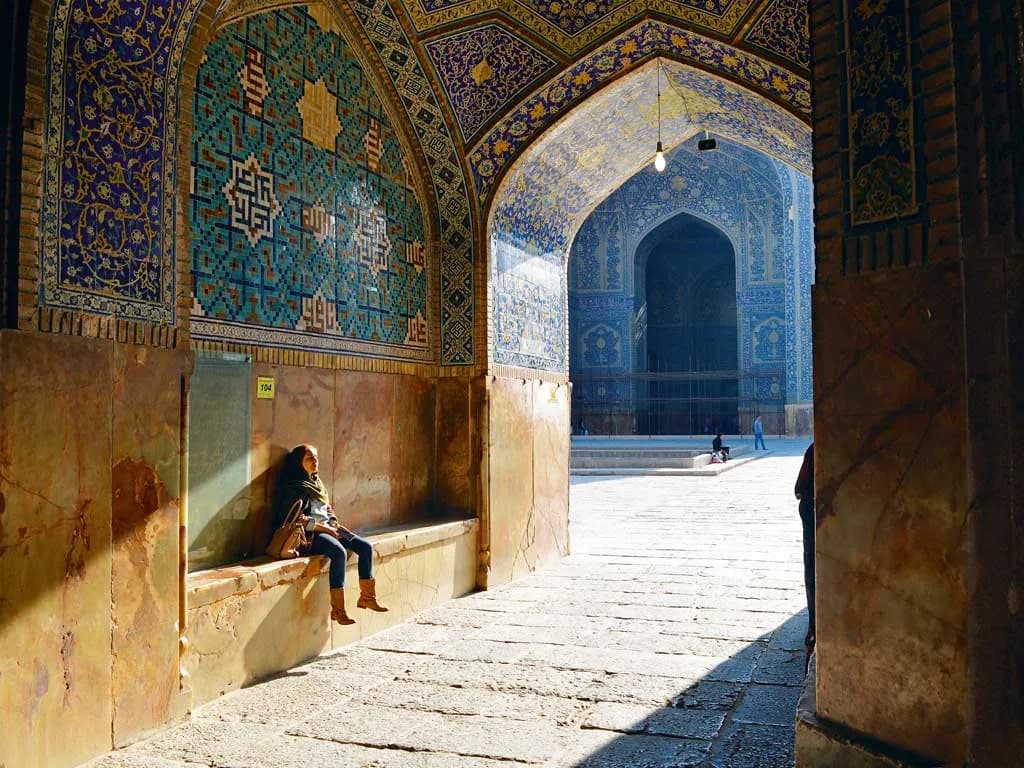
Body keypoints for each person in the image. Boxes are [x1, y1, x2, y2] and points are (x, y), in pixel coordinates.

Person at [273, 444, 387, 625]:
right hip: (311, 535)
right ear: (298, 462)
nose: (315, 461)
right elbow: (297, 520)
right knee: (339, 552)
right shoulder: (295, 487)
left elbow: (327, 510)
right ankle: (338, 610)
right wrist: (327, 530)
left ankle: (367, 597)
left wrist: (333, 522)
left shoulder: (317, 483)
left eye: (316, 457)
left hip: (330, 528)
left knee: (365, 547)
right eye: (309, 458)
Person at [794, 442, 815, 657]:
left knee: (814, 574)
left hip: (814, 515)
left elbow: (799, 489)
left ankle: (814, 631)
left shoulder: (815, 450)